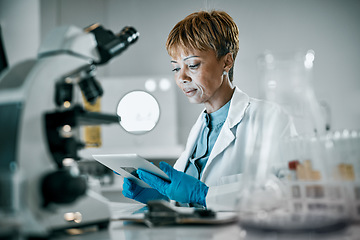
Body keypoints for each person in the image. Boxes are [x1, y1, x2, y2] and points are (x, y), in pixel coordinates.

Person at [122, 10, 294, 210]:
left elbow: (289, 190)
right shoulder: (201, 129)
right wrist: (162, 198)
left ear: (226, 62)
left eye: (193, 65)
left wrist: (206, 196)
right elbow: (187, 197)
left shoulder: (269, 118)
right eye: (176, 68)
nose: (182, 78)